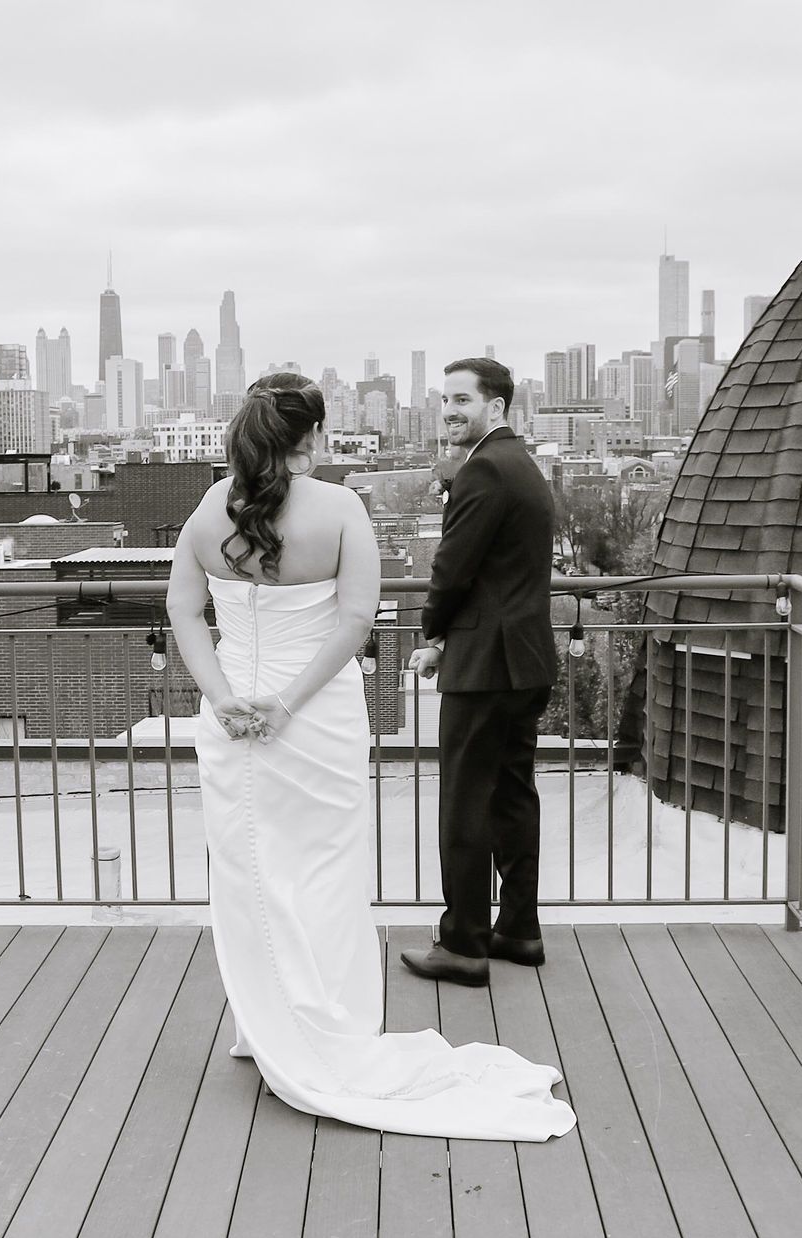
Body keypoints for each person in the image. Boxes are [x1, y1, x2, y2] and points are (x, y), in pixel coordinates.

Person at [166, 372, 575, 1142]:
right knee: (324, 872)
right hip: (312, 718)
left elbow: (182, 609)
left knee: (250, 875)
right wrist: (285, 704)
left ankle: (266, 1024)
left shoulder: (204, 509)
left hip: (230, 719)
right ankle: (327, 1023)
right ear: (312, 438)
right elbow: (356, 623)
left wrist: (224, 697)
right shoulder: (341, 508)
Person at [404, 358, 557, 987]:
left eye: (462, 400)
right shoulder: (520, 464)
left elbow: (452, 569)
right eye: (444, 400)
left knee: (464, 803)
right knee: (512, 796)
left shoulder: (484, 470)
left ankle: (463, 942)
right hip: (523, 657)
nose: (449, 411)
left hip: (485, 665)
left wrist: (433, 632)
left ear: (496, 407)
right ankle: (518, 929)